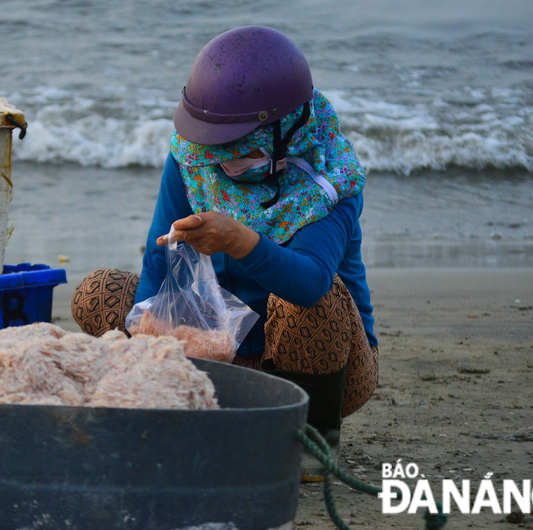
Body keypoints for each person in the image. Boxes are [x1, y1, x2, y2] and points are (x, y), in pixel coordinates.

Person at [71, 26, 377, 478]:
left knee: (314, 299)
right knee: (98, 292)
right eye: (215, 141)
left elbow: (311, 283)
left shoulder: (332, 181)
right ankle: (187, 409)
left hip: (317, 364)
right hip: (221, 349)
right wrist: (151, 349)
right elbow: (160, 258)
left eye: (237, 142)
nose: (221, 156)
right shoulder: (195, 160)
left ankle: (312, 443)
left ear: (284, 129)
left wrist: (240, 241)